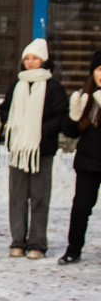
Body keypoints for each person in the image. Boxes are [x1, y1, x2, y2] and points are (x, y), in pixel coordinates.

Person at [0, 38, 68, 259]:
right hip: (19, 150)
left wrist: (38, 129)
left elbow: (60, 117)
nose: (30, 62)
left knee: (39, 197)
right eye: (27, 58)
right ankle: (17, 240)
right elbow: (5, 113)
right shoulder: (16, 85)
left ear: (44, 61)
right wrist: (16, 127)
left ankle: (37, 243)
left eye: (35, 58)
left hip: (41, 151)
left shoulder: (54, 88)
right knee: (17, 196)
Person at [58, 50, 101, 265]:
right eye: (100, 69)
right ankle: (73, 249)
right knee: (81, 207)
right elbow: (70, 132)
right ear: (93, 72)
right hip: (89, 162)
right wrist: (74, 116)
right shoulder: (85, 96)